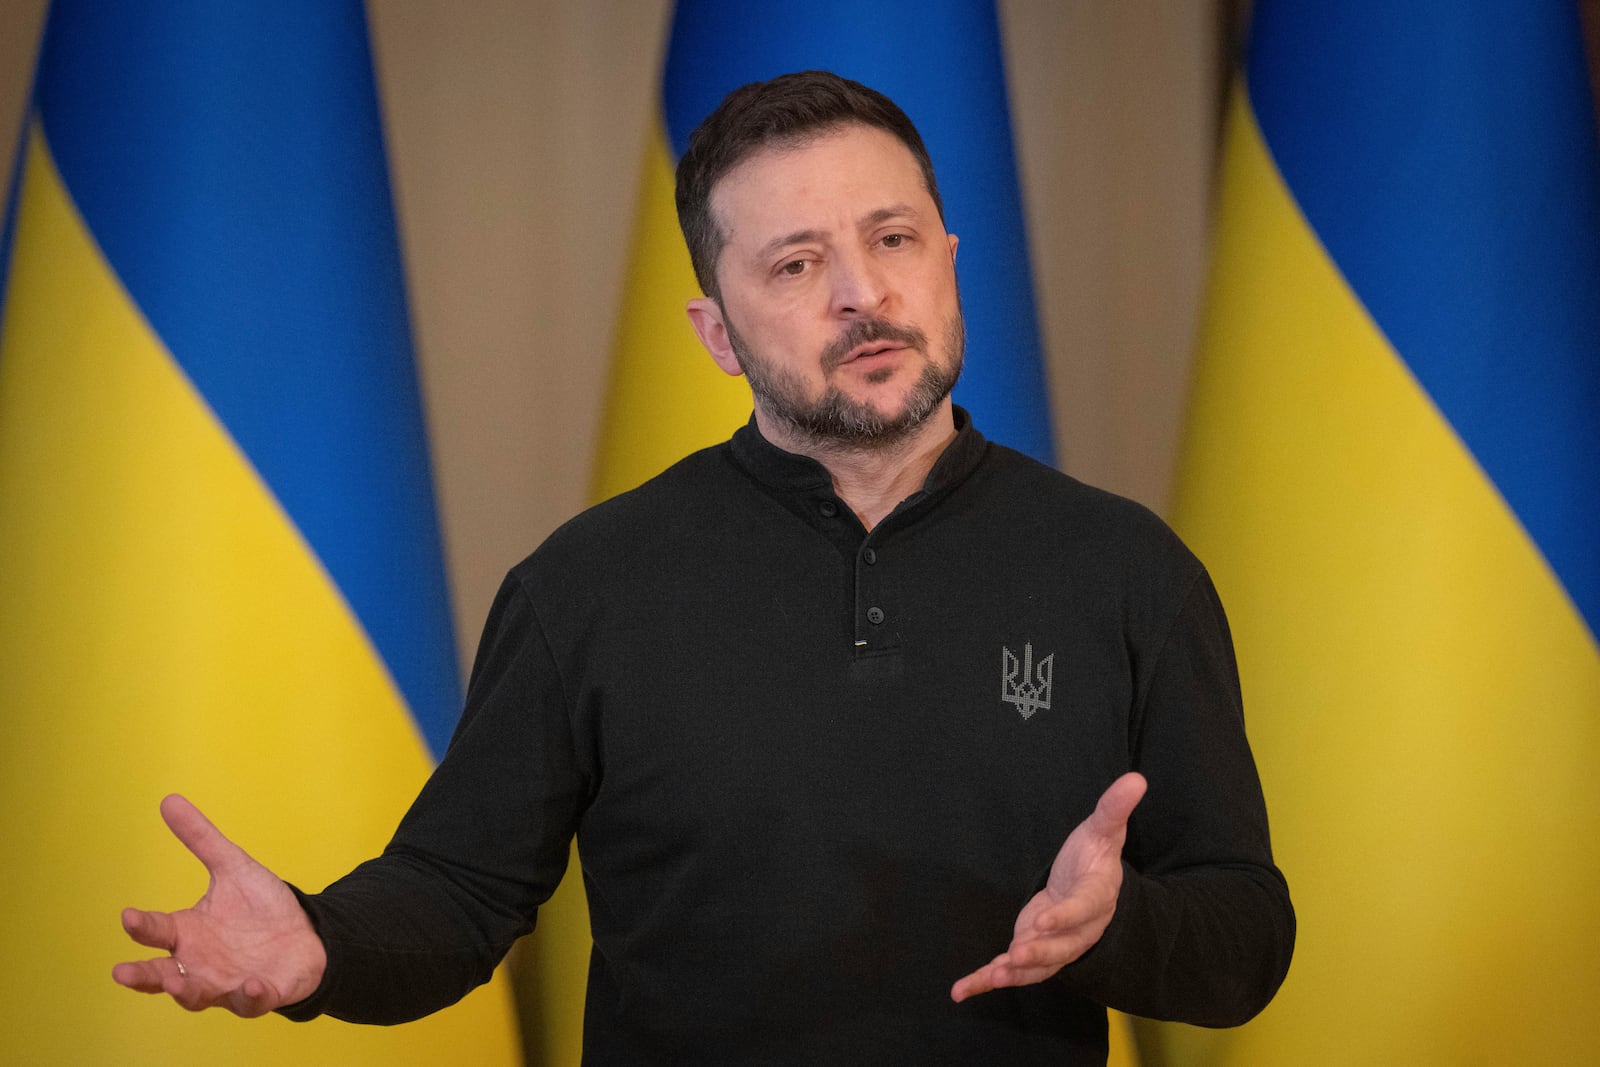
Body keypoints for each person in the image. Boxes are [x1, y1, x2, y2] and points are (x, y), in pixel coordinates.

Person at [114, 71, 1294, 1063]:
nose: (862, 294)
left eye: (892, 240)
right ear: (716, 332)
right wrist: (322, 945)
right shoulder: (587, 584)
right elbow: (459, 890)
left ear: (947, 259)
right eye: (793, 264)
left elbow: (1245, 936)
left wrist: (1121, 923)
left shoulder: (1127, 567)